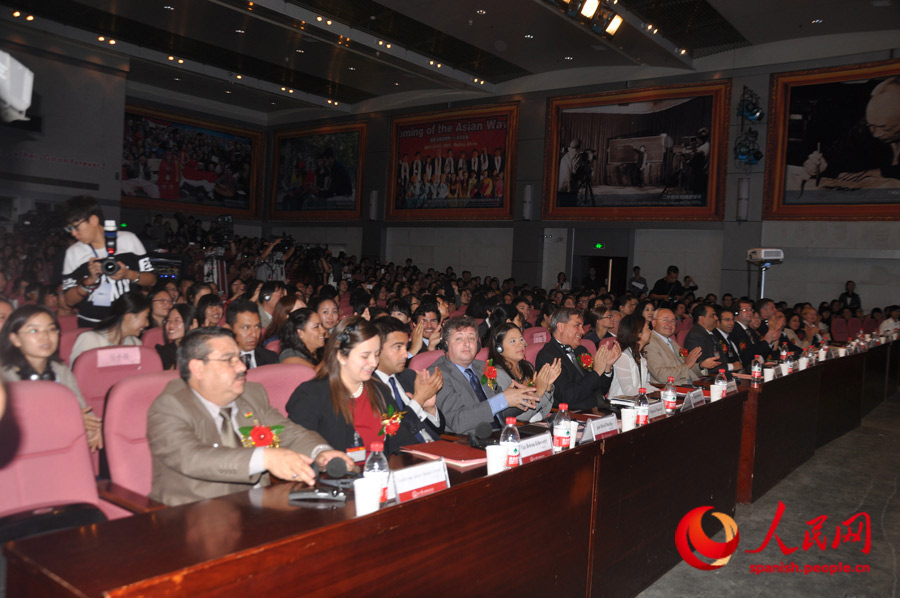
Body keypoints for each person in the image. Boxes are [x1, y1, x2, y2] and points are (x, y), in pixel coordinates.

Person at [146, 327, 353, 507]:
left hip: (257, 507)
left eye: (240, 358)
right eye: (230, 360)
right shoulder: (169, 406)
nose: (242, 367)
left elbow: (288, 432)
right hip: (194, 514)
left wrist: (321, 452)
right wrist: (265, 458)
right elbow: (192, 457)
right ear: (198, 368)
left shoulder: (251, 394)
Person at [287, 317, 423, 454]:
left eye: (376, 355)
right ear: (341, 355)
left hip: (379, 470)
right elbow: (298, 450)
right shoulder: (311, 396)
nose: (373, 363)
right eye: (365, 356)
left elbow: (402, 440)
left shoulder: (379, 391)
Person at [0, 305, 103, 451]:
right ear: (15, 339)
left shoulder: (60, 371)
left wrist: (93, 428)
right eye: (34, 331)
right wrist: (70, 419)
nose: (45, 336)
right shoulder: (4, 377)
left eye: (51, 329)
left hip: (58, 449)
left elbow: (83, 410)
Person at [60, 195, 156, 328]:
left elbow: (151, 280)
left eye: (76, 227)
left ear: (93, 220)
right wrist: (89, 281)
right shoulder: (73, 252)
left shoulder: (128, 240)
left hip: (127, 325)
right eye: (69, 229)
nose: (73, 234)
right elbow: (69, 300)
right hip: (91, 325)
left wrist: (127, 274)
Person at [432, 316, 538, 435]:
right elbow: (457, 421)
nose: (467, 343)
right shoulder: (438, 373)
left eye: (471, 338)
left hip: (501, 434)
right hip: (468, 442)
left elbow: (500, 412)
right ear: (446, 344)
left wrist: (521, 399)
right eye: (459, 339)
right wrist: (502, 399)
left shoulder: (484, 367)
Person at [371, 317, 445, 441]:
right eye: (398, 347)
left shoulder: (409, 376)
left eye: (406, 347)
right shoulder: (368, 387)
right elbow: (392, 438)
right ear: (376, 349)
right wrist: (418, 401)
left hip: (433, 449)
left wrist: (429, 409)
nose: (405, 354)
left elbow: (438, 430)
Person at [534, 307, 620, 412]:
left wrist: (606, 367)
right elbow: (567, 397)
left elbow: (600, 390)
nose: (582, 331)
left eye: (582, 326)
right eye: (577, 325)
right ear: (560, 326)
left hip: (594, 409)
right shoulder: (548, 356)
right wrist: (596, 371)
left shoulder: (581, 350)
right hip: (571, 414)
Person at [487, 323, 561, 423]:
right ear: (499, 348)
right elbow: (520, 418)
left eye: (521, 339)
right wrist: (539, 392)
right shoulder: (497, 374)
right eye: (513, 341)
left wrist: (547, 387)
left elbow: (543, 411)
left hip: (536, 425)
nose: (520, 344)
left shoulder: (527, 367)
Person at [69, 292, 150, 365]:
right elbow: (78, 375)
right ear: (129, 316)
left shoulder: (136, 344)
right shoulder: (90, 340)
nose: (147, 324)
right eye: (145, 318)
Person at [645, 308, 703, 386]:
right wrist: (687, 365)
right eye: (665, 320)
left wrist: (701, 365)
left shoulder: (672, 342)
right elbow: (661, 375)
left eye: (672, 321)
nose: (669, 324)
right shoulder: (650, 343)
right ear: (654, 323)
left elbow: (686, 365)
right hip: (670, 389)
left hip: (689, 385)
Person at [609, 314, 658, 397]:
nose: (650, 331)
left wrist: (660, 392)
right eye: (648, 328)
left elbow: (643, 384)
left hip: (636, 401)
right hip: (620, 404)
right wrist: (654, 393)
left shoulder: (640, 356)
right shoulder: (623, 356)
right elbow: (628, 390)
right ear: (638, 333)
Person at [224, 300, 277, 370]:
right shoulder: (220, 362)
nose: (254, 334)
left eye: (257, 326)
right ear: (229, 329)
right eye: (246, 328)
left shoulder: (271, 358)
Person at [682, 304, 722, 376]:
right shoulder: (695, 336)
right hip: (708, 376)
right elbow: (706, 364)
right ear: (701, 319)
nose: (716, 318)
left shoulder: (710, 333)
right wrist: (730, 366)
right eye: (712, 316)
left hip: (719, 372)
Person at [156, 304, 198, 370]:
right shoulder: (162, 352)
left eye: (177, 321)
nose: (171, 325)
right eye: (169, 320)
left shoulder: (201, 349)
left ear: (191, 325)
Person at [713, 306, 744, 373]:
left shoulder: (731, 335)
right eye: (727, 320)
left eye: (733, 320)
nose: (732, 323)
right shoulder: (714, 337)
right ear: (718, 322)